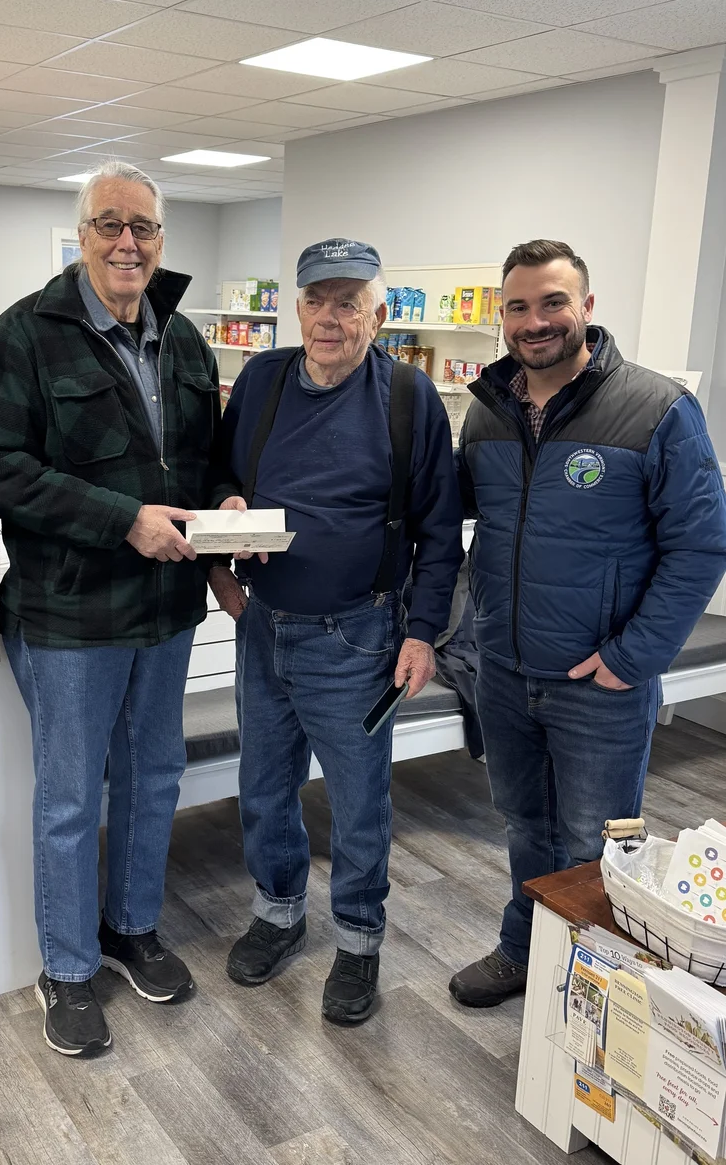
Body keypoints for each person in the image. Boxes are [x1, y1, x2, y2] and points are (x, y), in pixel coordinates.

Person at [0, 160, 235, 1058]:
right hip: (70, 618)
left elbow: (206, 462)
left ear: (160, 240)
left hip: (167, 612)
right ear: (82, 236)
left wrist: (226, 503)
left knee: (155, 777)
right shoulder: (26, 334)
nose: (127, 241)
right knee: (73, 796)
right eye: (109, 224)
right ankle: (68, 967)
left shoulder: (184, 341)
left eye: (143, 227)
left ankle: (131, 927)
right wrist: (123, 520)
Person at [449, 239, 726, 1008]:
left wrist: (631, 657)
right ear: (503, 317)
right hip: (504, 673)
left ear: (587, 308)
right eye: (518, 306)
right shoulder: (488, 411)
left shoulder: (657, 408)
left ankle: (589, 990)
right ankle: (524, 948)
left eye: (553, 302)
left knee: (595, 843)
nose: (535, 321)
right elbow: (460, 515)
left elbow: (701, 546)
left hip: (598, 685)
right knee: (524, 825)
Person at [209, 239, 463, 1025]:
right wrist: (225, 523)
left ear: (378, 315)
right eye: (317, 300)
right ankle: (279, 911)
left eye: (348, 302)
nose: (330, 317)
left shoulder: (409, 397)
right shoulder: (262, 380)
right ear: (297, 308)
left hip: (358, 635)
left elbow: (440, 532)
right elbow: (219, 475)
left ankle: (357, 939)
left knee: (358, 801)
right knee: (264, 785)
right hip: (262, 625)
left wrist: (423, 633)